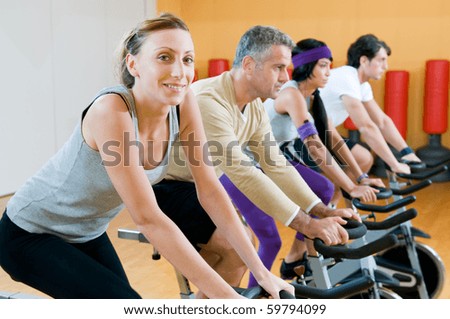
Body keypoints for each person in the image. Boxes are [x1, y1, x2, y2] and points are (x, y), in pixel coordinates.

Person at [0, 13, 293, 299]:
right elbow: (149, 218)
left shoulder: (183, 102)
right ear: (134, 63)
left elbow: (211, 190)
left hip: (87, 231)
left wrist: (262, 272)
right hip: (32, 232)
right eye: (164, 57)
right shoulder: (111, 111)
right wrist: (227, 297)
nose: (180, 71)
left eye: (187, 59)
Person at [165, 25, 360, 287]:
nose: (284, 76)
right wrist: (304, 224)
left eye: (286, 68)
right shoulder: (208, 100)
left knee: (237, 254)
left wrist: (320, 211)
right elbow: (243, 171)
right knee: (238, 247)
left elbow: (276, 165)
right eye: (277, 67)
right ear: (248, 65)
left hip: (203, 186)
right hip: (169, 187)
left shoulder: (254, 106)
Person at [263, 38, 384, 277]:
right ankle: (307, 256)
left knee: (323, 190)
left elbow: (333, 139)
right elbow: (315, 146)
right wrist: (351, 186)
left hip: (280, 155)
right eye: (323, 65)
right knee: (323, 188)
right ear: (307, 67)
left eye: (330, 65)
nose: (329, 72)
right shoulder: (292, 94)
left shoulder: (312, 97)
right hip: (259, 160)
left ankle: (298, 257)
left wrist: (360, 178)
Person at [319, 34, 421, 176]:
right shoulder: (347, 77)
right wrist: (394, 164)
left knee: (364, 159)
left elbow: (382, 121)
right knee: (359, 158)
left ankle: (347, 196)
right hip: (297, 136)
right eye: (381, 60)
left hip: (321, 134)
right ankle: (339, 194)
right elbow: (366, 127)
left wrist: (407, 152)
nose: (385, 66)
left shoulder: (362, 85)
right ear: (364, 60)